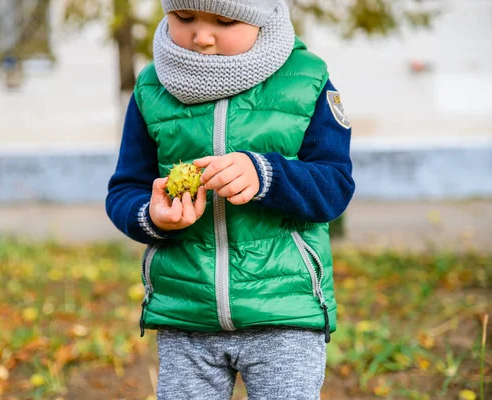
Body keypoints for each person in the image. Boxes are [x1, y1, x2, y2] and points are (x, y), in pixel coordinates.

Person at [106, 0, 355, 398]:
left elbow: (335, 186)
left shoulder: (307, 80)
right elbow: (124, 190)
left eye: (224, 20)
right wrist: (150, 216)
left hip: (284, 312)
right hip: (186, 313)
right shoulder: (151, 88)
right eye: (184, 18)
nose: (201, 37)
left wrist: (266, 175)